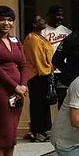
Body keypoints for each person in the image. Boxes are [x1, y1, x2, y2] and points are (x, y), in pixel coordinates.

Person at [0, 6, 29, 156]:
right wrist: (15, 86)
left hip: (18, 92)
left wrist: (23, 85)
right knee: (2, 133)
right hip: (1, 91)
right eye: (2, 20)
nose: (6, 23)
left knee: (12, 134)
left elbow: (23, 64)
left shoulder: (15, 40)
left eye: (9, 20)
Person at [22, 15, 55, 143]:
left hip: (44, 74)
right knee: (37, 105)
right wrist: (47, 72)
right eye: (40, 20)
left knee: (44, 104)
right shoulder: (32, 38)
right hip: (38, 75)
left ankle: (45, 130)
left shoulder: (40, 37)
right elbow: (38, 59)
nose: (44, 22)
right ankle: (37, 131)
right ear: (34, 24)